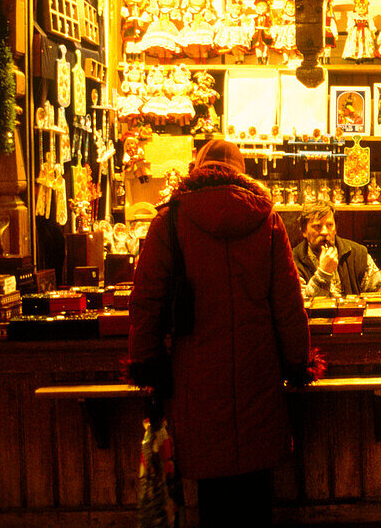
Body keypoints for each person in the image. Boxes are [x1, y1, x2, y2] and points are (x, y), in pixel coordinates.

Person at [126, 139, 317, 528]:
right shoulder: (266, 219)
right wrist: (298, 362)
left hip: (196, 372)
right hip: (257, 370)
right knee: (256, 490)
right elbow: (288, 301)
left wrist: (145, 364)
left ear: (198, 169)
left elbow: (146, 300)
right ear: (242, 171)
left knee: (213, 495)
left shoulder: (171, 219)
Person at [293, 200, 381, 298]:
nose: (324, 232)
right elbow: (299, 305)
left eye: (329, 225)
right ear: (304, 231)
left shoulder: (358, 254)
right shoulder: (292, 261)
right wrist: (323, 274)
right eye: (317, 226)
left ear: (336, 228)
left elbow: (379, 298)